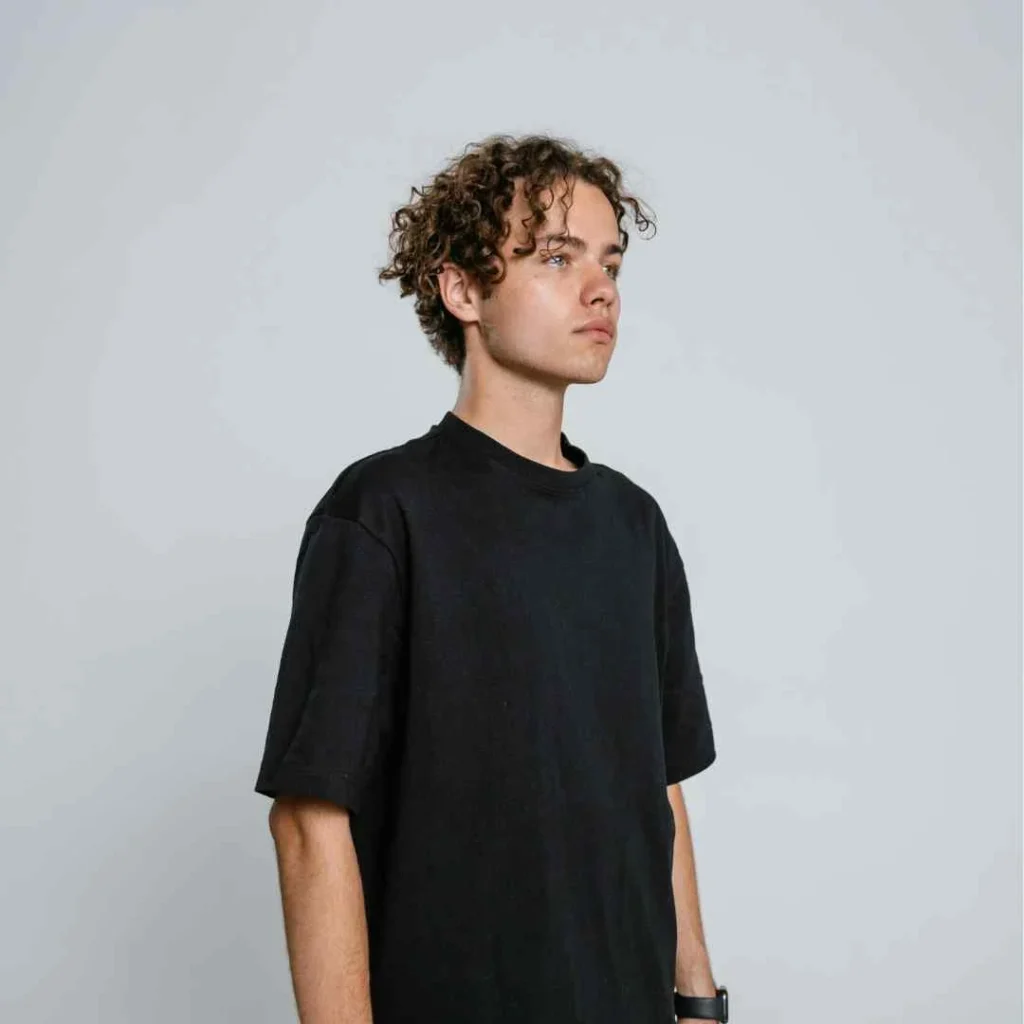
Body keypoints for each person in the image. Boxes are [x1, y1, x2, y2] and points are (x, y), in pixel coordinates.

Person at [254, 133, 726, 1024]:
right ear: (464, 288)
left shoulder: (635, 527)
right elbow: (310, 822)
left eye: (610, 262)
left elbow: (658, 789)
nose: (602, 289)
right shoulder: (383, 511)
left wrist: (698, 1001)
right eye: (556, 256)